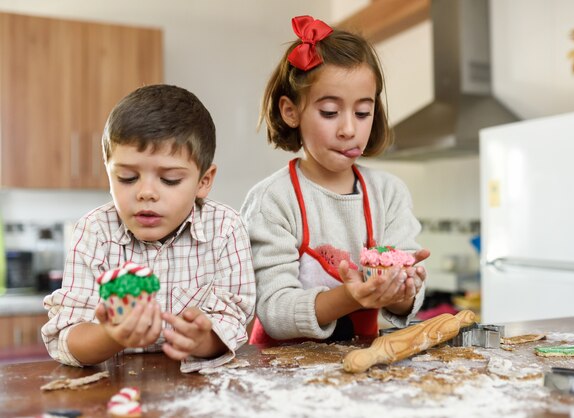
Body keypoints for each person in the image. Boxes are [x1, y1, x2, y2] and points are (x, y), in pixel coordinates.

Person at [241, 15, 430, 344]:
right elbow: (274, 311)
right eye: (329, 112)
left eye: (362, 113)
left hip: (358, 366)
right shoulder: (272, 201)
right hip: (281, 372)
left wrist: (402, 288)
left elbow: (404, 303)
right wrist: (353, 296)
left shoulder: (389, 194)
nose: (348, 129)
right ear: (291, 111)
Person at [42, 84, 256, 372]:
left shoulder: (225, 228)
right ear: (108, 173)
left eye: (169, 180)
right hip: (114, 390)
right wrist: (111, 336)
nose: (146, 193)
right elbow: (67, 337)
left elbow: (233, 318)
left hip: (195, 388)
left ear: (204, 181)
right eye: (127, 177)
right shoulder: (94, 232)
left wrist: (201, 340)